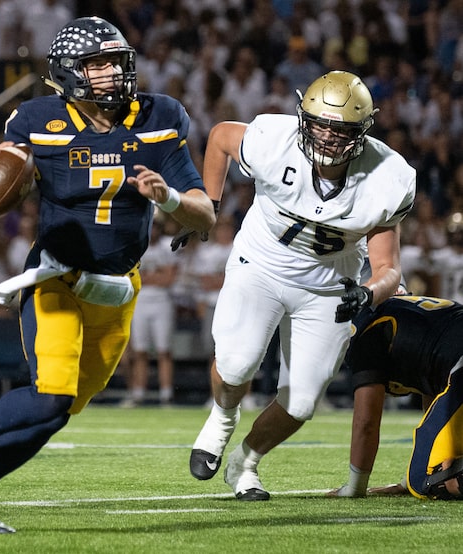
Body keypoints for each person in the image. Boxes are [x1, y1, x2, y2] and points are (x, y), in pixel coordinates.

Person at [0, 16, 215, 533]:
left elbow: (204, 213)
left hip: (119, 287)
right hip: (55, 276)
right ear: (67, 72)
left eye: (117, 61)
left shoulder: (159, 116)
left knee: (56, 412)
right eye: (97, 63)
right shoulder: (35, 119)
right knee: (51, 393)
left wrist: (167, 197)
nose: (112, 72)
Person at [187, 70, 415, 501]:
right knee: (236, 364)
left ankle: (245, 463)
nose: (328, 138)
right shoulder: (273, 139)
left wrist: (369, 293)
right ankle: (221, 418)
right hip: (262, 263)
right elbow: (219, 137)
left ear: (362, 131)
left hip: (331, 285)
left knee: (301, 403)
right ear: (303, 118)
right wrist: (210, 204)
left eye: (340, 129)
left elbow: (388, 267)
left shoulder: (391, 175)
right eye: (320, 125)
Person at [328, 291, 463, 500]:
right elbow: (435, 391)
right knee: (429, 469)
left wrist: (355, 487)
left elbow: (366, 422)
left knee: (423, 481)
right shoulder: (395, 312)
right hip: (456, 369)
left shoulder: (366, 330)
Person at [121, 216, 178, 408]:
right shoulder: (138, 245)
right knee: (140, 351)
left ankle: (166, 393)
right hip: (140, 302)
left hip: (162, 302)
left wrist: (148, 277)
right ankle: (138, 392)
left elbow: (169, 278)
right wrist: (156, 276)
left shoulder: (167, 246)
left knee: (164, 350)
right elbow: (131, 276)